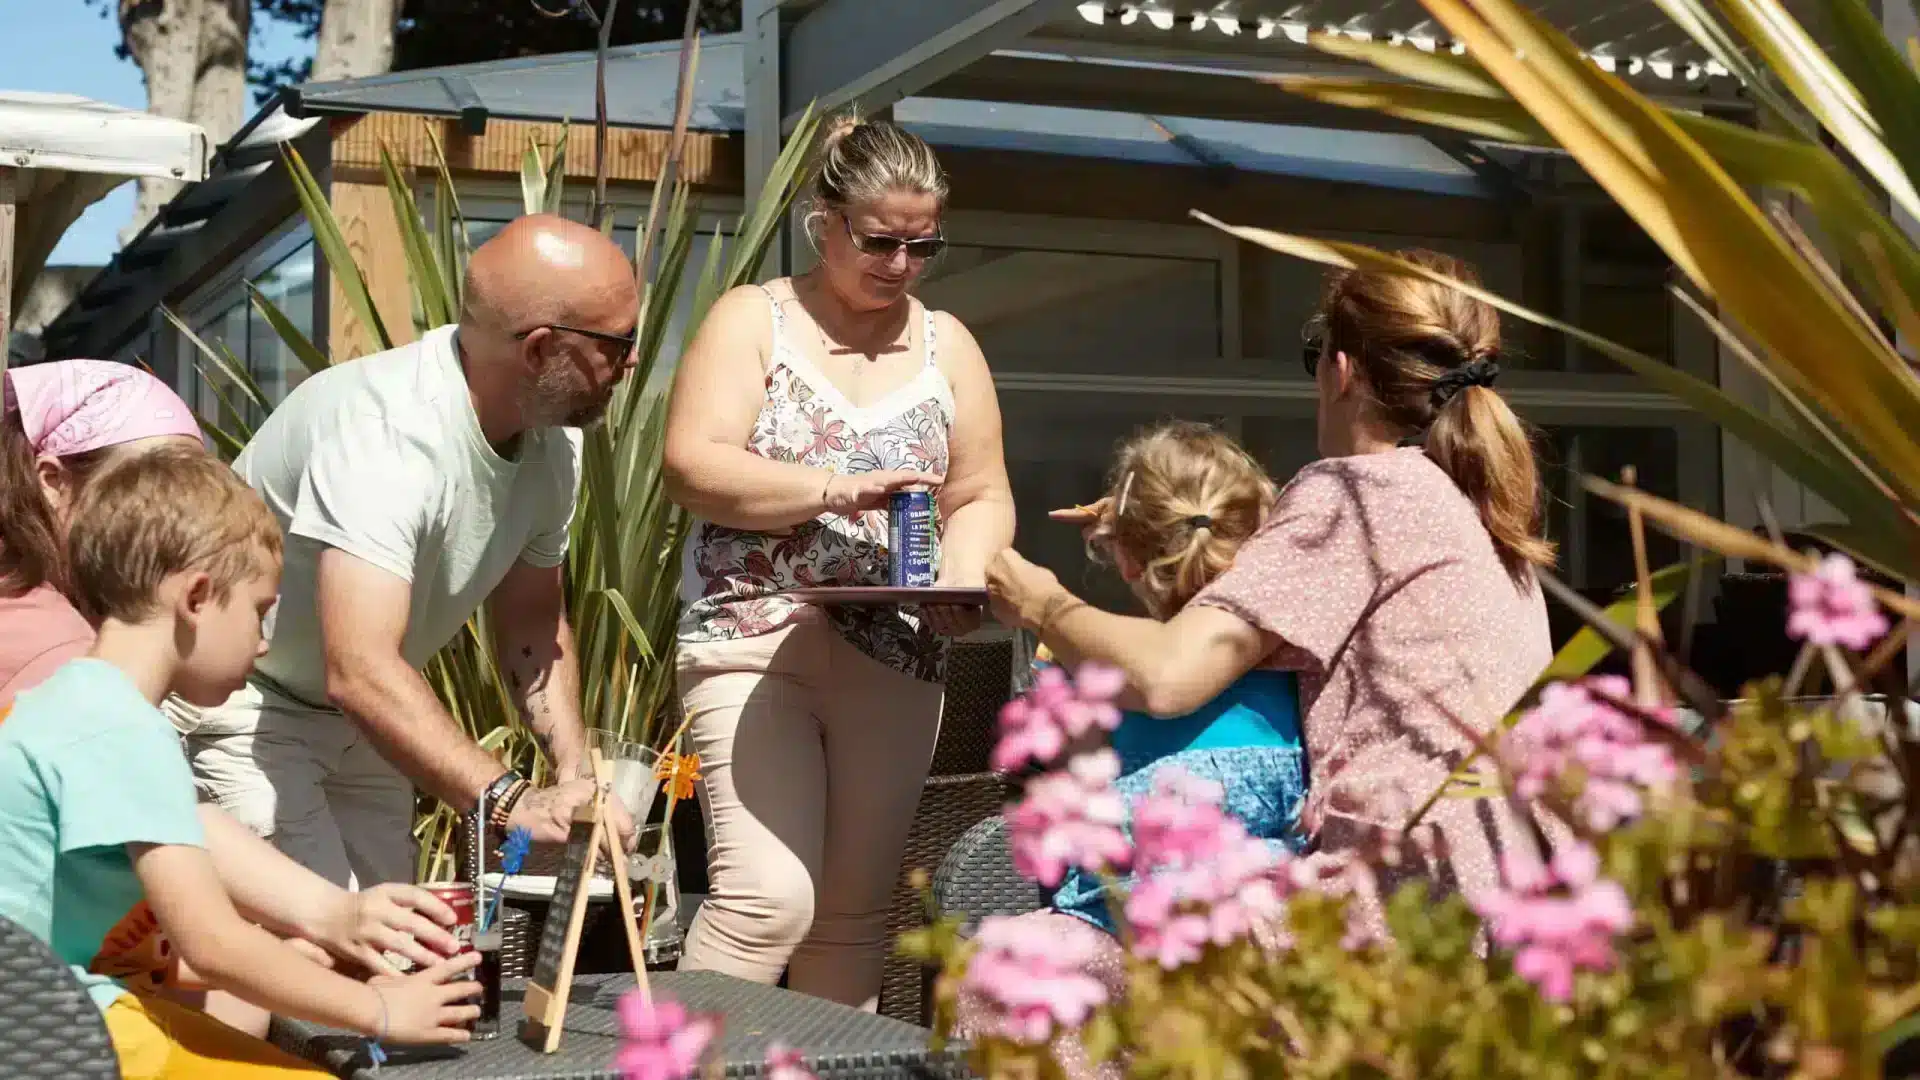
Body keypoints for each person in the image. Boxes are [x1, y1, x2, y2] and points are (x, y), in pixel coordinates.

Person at [987, 250, 1556, 943]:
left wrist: (1039, 599)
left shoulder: (1355, 494)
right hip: (1510, 898)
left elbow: (1167, 676)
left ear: (1339, 371)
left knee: (1021, 976)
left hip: (1392, 909)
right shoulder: (1469, 502)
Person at [663, 116, 1015, 1009]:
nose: (901, 263)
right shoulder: (754, 319)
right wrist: (834, 489)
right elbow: (692, 465)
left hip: (895, 651)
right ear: (825, 221)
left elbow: (979, 495)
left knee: (856, 916)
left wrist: (959, 578)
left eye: (922, 244)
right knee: (761, 903)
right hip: (751, 634)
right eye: (880, 240)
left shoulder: (949, 346)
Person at [183, 213, 638, 890]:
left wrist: (576, 776)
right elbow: (359, 667)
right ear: (540, 350)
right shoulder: (389, 436)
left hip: (368, 723)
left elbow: (533, 625)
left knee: (391, 955)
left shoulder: (552, 440)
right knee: (317, 964)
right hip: (251, 705)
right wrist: (513, 802)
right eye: (618, 343)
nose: (633, 362)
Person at [0, 447, 481, 1078]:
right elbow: (213, 941)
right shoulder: (122, 728)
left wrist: (307, 949)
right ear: (196, 597)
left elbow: (148, 883)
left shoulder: (73, 703)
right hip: (66, 1037)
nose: (262, 642)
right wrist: (377, 1010)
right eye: (258, 610)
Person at [957, 422, 1308, 1080]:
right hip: (1261, 947)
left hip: (1118, 942)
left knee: (1008, 984)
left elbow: (1065, 797)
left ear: (1124, 561)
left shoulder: (1099, 673)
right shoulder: (1297, 668)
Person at [0, 359, 205, 709]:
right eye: (152, 492)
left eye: (191, 495)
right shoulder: (61, 658)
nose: (177, 522)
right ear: (52, 481)